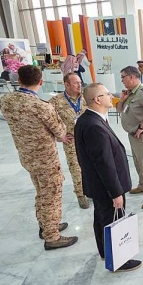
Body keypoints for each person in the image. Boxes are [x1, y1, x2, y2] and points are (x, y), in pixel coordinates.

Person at [0, 65, 78, 250]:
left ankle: (46, 225)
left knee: (42, 191)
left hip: (27, 156)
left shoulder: (6, 101)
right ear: (40, 82)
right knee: (51, 195)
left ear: (19, 80)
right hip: (46, 159)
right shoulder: (42, 106)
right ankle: (52, 237)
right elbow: (60, 131)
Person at [75, 83, 142, 272]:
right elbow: (104, 163)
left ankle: (106, 251)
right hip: (107, 186)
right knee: (112, 220)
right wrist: (116, 192)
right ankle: (119, 259)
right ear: (97, 99)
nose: (111, 96)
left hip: (99, 185)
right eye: (106, 94)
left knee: (102, 217)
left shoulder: (90, 120)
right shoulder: (94, 126)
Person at [116, 66, 143, 209]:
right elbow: (119, 109)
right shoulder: (131, 93)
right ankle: (142, 185)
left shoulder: (142, 93)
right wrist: (122, 100)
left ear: (131, 77)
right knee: (137, 162)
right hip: (133, 135)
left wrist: (142, 127)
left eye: (123, 77)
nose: (121, 80)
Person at [49, 73, 89, 209]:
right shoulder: (55, 101)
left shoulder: (86, 97)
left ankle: (92, 191)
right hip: (71, 140)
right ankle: (80, 194)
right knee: (76, 168)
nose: (79, 85)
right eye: (76, 83)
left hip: (89, 138)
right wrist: (59, 136)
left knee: (92, 165)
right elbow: (48, 121)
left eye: (80, 82)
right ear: (66, 85)